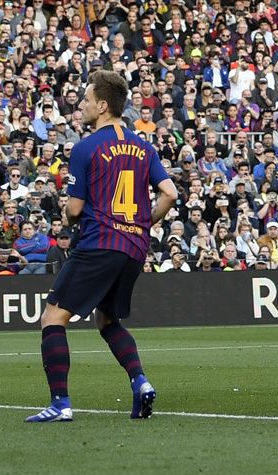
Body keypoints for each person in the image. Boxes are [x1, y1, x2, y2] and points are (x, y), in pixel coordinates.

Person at [25, 70, 178, 423]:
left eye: (86, 100)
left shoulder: (85, 148)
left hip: (100, 243)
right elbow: (170, 193)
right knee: (107, 319)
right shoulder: (144, 147)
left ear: (103, 105)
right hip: (135, 247)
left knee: (52, 317)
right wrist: (142, 224)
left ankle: (60, 404)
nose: (81, 106)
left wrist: (65, 213)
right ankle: (141, 383)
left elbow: (75, 210)